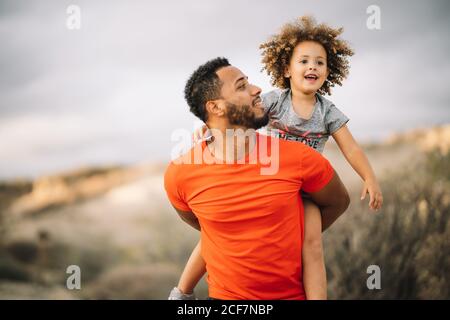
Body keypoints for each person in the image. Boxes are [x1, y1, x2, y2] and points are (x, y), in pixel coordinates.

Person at [171, 16, 383, 300]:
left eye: (320, 63)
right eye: (304, 61)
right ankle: (182, 293)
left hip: (306, 192)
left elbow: (351, 150)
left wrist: (369, 177)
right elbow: (232, 120)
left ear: (329, 71)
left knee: (312, 247)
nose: (313, 67)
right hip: (226, 291)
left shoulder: (327, 113)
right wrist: (209, 129)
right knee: (211, 234)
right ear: (287, 69)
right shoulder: (272, 101)